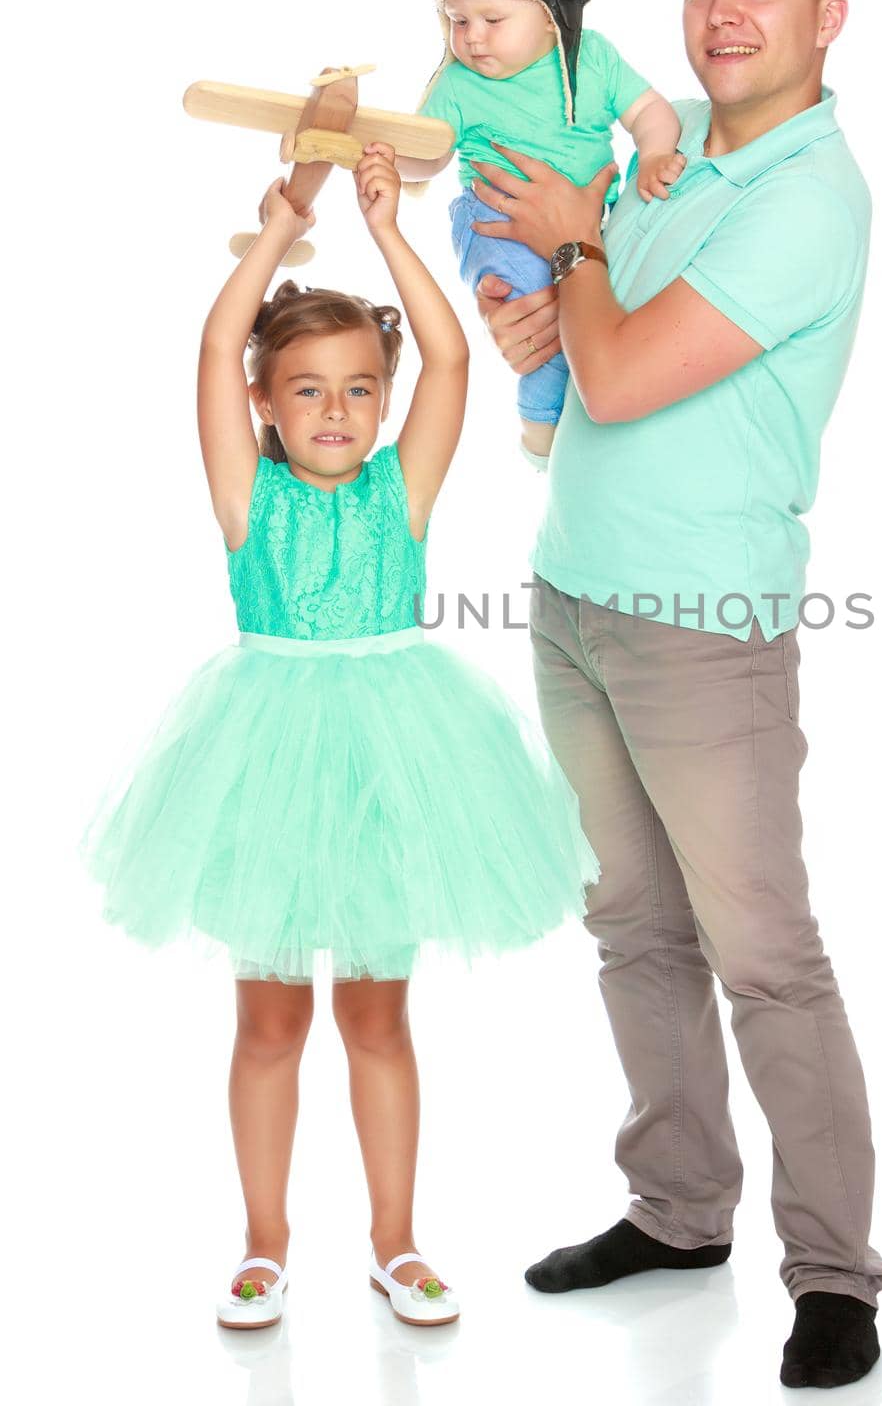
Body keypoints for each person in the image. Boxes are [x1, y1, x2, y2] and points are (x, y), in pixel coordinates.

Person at [468, 0, 882, 1390]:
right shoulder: (671, 168)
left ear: (826, 15)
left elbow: (636, 374)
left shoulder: (807, 199)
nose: (723, 9)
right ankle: (677, 1211)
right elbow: (591, 354)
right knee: (634, 932)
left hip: (705, 633)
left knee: (764, 954)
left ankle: (837, 1278)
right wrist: (549, 312)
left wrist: (580, 258)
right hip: (576, 595)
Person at [77, 143, 598, 1331]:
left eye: (361, 387)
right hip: (264, 757)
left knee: (377, 1014)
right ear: (265, 402)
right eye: (306, 387)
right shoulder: (244, 495)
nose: (337, 410)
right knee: (271, 1020)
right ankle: (263, 1244)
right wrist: (281, 225)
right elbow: (215, 347)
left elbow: (452, 357)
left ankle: (395, 1241)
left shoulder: (397, 493)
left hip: (391, 758)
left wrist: (387, 228)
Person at [396, 0, 685, 461]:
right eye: (458, 21)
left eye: (493, 19)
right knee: (547, 314)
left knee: (606, 305)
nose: (473, 38)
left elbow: (652, 112)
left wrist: (653, 155)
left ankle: (587, 410)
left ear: (554, 11)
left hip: (586, 227)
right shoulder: (457, 84)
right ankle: (541, 427)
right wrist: (393, 157)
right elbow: (427, 156)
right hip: (495, 221)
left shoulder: (592, 59)